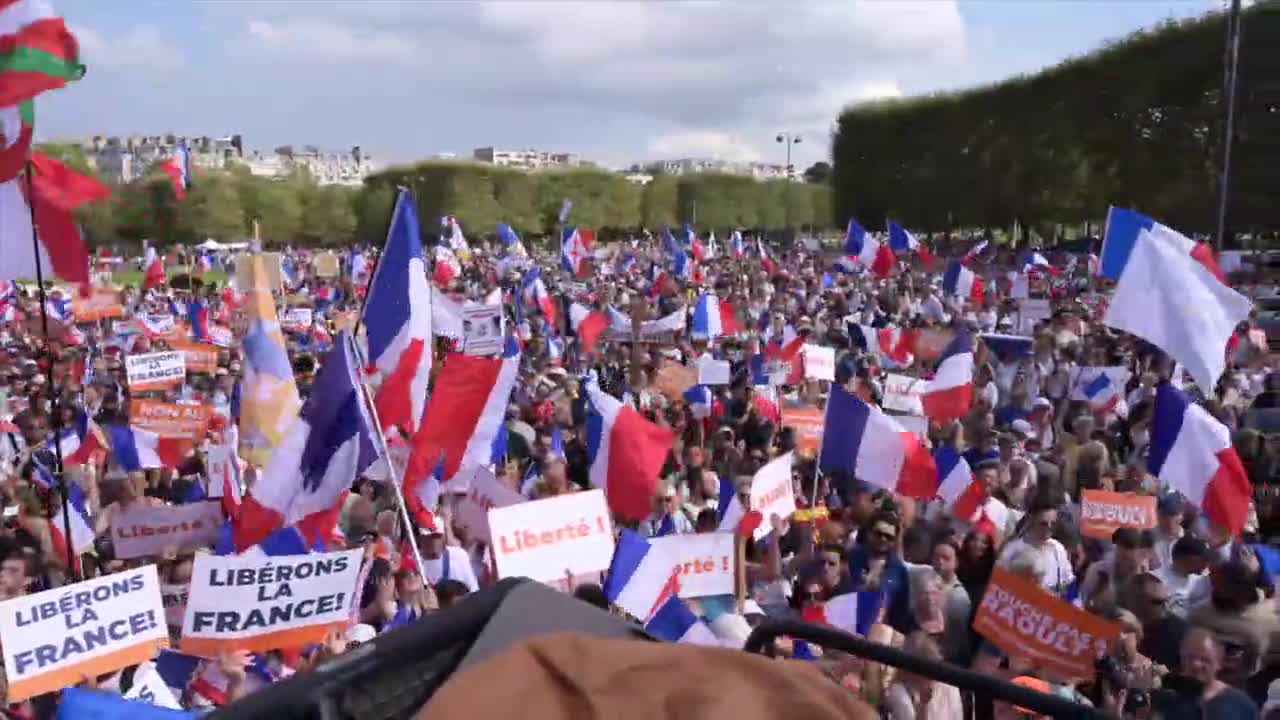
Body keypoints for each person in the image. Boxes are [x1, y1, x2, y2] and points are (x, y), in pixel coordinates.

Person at [1154, 627, 1259, 719]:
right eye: (1190, 658)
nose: (1196, 665)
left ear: (1219, 663)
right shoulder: (1166, 699)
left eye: (1205, 659)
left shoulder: (1240, 705)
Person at [883, 633, 963, 719]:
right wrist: (923, 705)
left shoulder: (950, 689)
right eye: (927, 670)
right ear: (911, 672)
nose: (933, 675)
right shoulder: (898, 693)